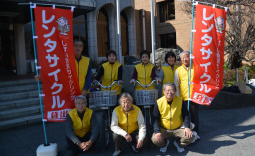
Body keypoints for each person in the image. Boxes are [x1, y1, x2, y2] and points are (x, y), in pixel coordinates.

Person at [34, 39, 92, 108]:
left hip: (83, 93)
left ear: (82, 48)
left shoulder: (87, 61)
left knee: (84, 115)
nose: (78, 48)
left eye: (80, 46)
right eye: (75, 46)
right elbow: (57, 72)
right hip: (70, 93)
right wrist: (42, 77)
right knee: (70, 115)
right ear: (72, 47)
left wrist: (85, 90)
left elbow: (89, 77)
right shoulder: (66, 60)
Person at [151, 82, 195, 153]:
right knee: (155, 139)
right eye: (167, 90)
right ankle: (164, 144)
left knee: (191, 136)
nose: (170, 92)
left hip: (178, 128)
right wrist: (157, 132)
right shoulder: (159, 102)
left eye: (172, 90)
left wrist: (187, 127)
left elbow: (186, 114)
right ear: (163, 91)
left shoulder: (180, 101)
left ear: (175, 91)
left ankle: (178, 144)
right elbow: (155, 118)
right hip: (164, 128)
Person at [174, 51, 200, 142]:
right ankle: (185, 131)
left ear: (190, 58)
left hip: (194, 96)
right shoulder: (178, 70)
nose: (185, 59)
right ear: (180, 59)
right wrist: (177, 97)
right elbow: (176, 84)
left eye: (187, 57)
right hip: (182, 97)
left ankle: (195, 132)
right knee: (184, 116)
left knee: (194, 115)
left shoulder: (196, 68)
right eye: (183, 58)